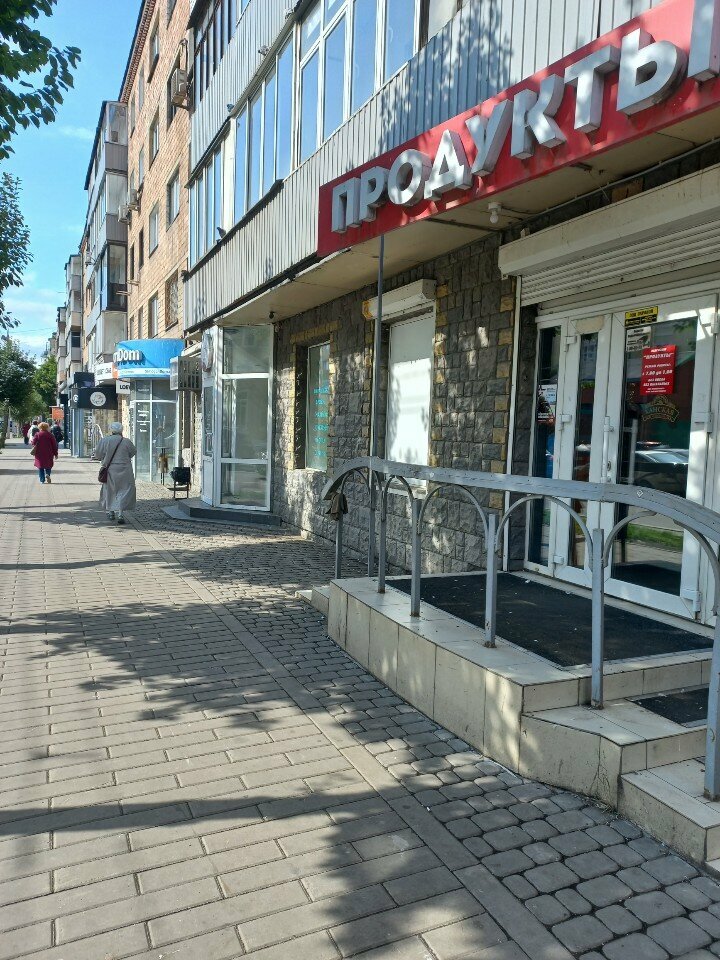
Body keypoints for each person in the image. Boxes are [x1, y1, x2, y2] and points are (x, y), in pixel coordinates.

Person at [95, 422, 136, 525]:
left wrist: (104, 458)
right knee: (124, 490)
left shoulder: (105, 441)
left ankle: (111, 511)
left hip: (110, 469)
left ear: (111, 430)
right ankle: (121, 513)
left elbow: (98, 454)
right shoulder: (126, 441)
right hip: (125, 469)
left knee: (110, 490)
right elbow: (133, 452)